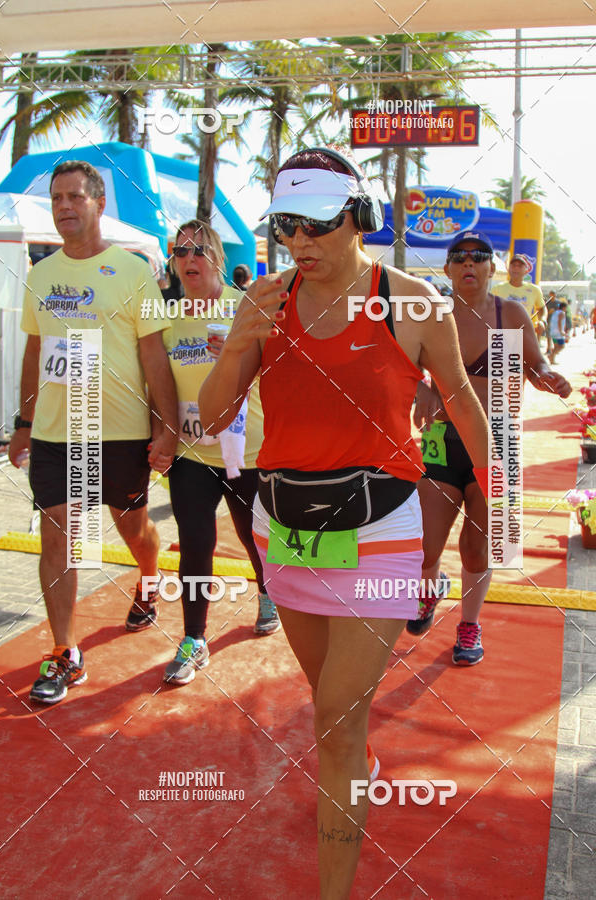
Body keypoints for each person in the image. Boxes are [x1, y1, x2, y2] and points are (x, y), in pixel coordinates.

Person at [199, 148, 491, 900]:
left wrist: (495, 490)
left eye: (319, 226)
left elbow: (459, 398)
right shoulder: (263, 301)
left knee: (333, 719)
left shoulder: (412, 302)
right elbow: (213, 417)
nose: (301, 242)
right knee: (334, 711)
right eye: (287, 226)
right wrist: (240, 340)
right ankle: (353, 773)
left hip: (382, 528)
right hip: (285, 525)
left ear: (357, 219)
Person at [8, 160, 178, 705]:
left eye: (74, 197)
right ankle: (65, 651)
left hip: (120, 433)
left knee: (131, 530)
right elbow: (35, 352)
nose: (63, 207)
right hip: (59, 435)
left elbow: (155, 355)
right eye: (57, 197)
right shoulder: (40, 273)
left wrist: (166, 427)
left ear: (99, 204)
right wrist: (24, 423)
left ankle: (148, 577)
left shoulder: (133, 273)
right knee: (58, 537)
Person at [409, 231, 572, 664]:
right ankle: (430, 591)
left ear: (491, 268)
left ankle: (469, 624)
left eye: (478, 256)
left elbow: (535, 364)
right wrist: (419, 390)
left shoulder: (511, 313)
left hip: (498, 441)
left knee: (479, 546)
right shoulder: (432, 314)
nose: (469, 263)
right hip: (442, 441)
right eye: (459, 257)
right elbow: (401, 365)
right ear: (446, 269)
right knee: (426, 543)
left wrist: (548, 376)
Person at [152, 220, 280, 686]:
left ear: (218, 259)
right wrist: (161, 434)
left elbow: (281, 364)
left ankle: (268, 593)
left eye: (199, 250)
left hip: (247, 451)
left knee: (252, 535)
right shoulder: (165, 316)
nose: (190, 259)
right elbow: (158, 385)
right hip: (191, 451)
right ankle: (194, 637)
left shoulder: (243, 306)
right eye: (181, 252)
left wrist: (239, 351)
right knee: (195, 541)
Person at [492, 252, 545, 337]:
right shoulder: (497, 288)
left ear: (526, 270)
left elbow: (541, 308)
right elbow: (487, 308)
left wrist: (542, 321)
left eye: (520, 266)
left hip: (524, 333)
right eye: (513, 265)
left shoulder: (534, 290)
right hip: (501, 334)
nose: (516, 268)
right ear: (509, 268)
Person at [545, 290, 558, 355]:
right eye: (550, 295)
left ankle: (555, 348)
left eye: (552, 295)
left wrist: (554, 311)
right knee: (548, 336)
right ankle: (548, 348)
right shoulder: (547, 302)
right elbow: (544, 310)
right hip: (548, 320)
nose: (551, 296)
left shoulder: (558, 303)